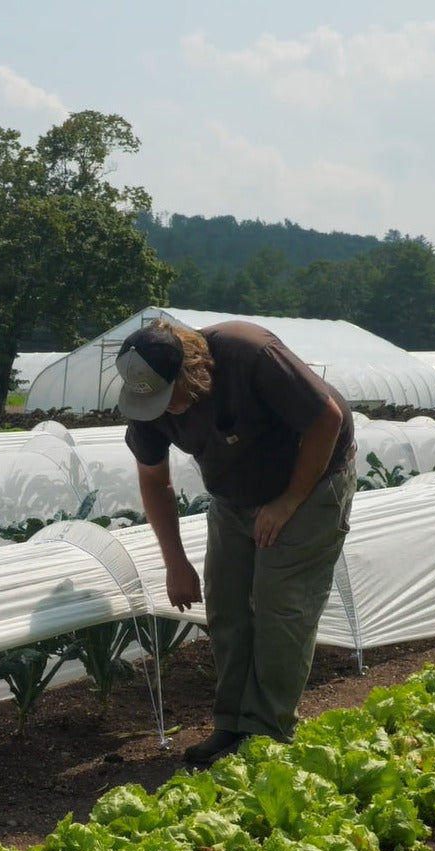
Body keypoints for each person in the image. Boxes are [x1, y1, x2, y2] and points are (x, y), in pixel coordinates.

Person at [115, 318, 356, 765]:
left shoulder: (250, 354)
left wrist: (287, 502)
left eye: (171, 399)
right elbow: (154, 480)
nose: (166, 411)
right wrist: (175, 562)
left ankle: (266, 734)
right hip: (233, 494)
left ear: (195, 371)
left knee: (280, 609)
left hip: (311, 480)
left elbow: (327, 419)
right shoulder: (147, 402)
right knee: (226, 606)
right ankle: (232, 725)